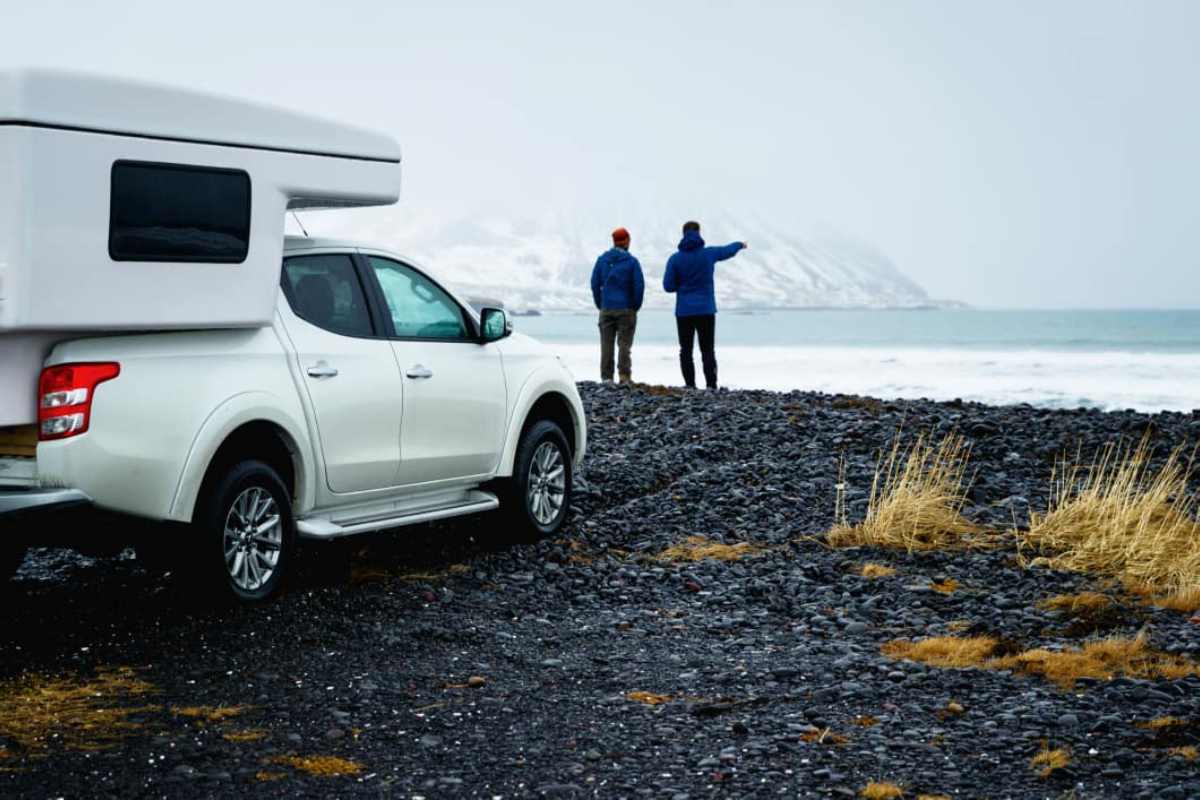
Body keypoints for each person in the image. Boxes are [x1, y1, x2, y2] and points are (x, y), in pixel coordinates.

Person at [662, 221, 747, 389]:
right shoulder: (709, 254)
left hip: (684, 312)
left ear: (683, 234)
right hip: (706, 310)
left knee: (686, 350)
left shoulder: (675, 259)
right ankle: (711, 385)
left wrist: (682, 285)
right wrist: (740, 244)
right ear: (699, 233)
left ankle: (690, 386)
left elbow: (668, 286)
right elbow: (727, 250)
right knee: (707, 349)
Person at [590, 227, 645, 384]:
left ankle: (606, 377)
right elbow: (638, 286)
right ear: (626, 241)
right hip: (626, 308)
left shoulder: (602, 260)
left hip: (606, 308)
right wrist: (635, 306)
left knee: (606, 345)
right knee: (624, 345)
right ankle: (624, 376)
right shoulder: (632, 262)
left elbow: (594, 283)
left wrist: (600, 304)